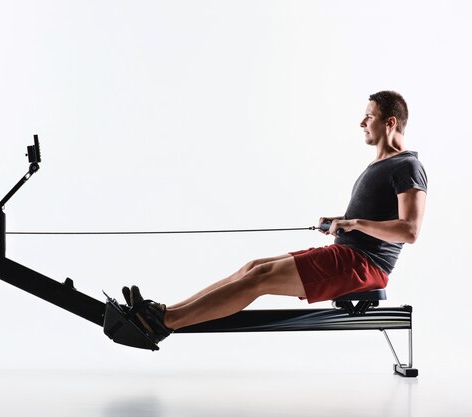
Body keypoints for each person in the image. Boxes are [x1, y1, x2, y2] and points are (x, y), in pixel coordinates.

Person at [124, 90, 428, 344]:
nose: (362, 122)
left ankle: (164, 323)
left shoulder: (406, 166)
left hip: (363, 266)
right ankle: (161, 312)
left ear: (390, 122)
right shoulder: (382, 165)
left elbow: (410, 231)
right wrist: (342, 221)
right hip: (346, 253)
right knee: (253, 267)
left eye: (369, 116)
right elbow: (375, 218)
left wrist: (352, 224)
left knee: (258, 280)